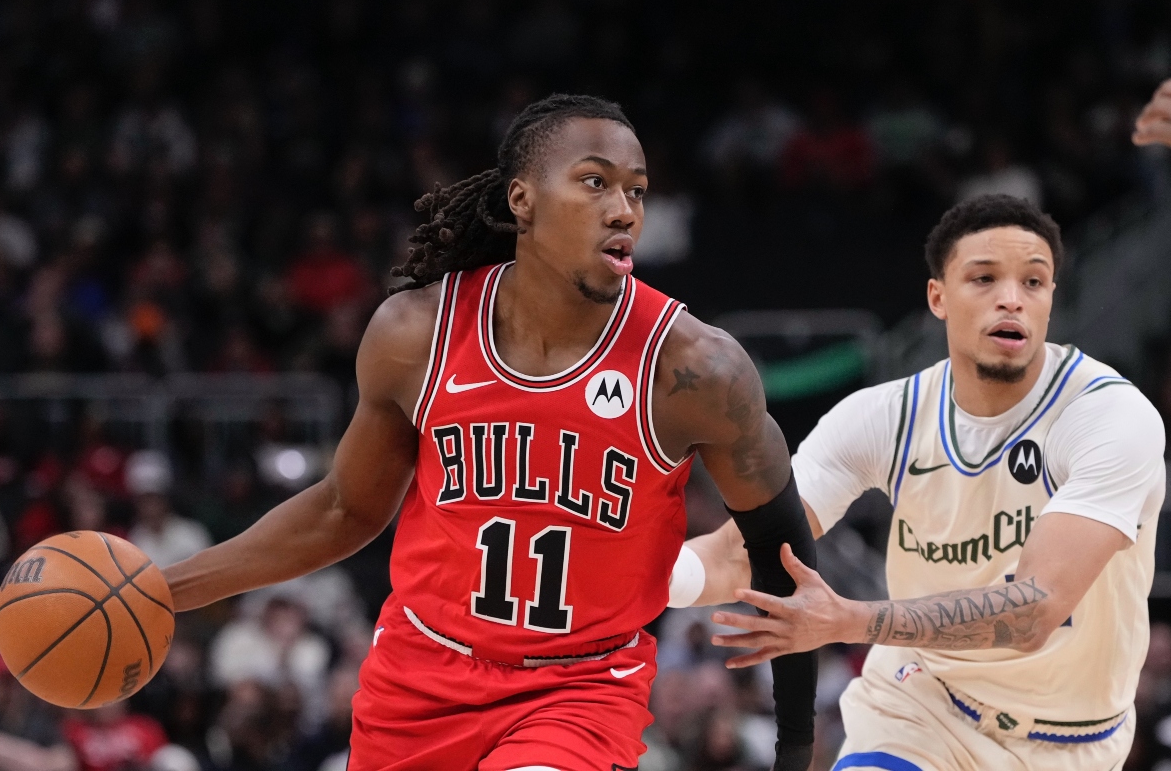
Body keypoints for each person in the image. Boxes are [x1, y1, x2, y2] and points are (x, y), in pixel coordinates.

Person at [165, 94, 818, 771]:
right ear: (522, 200)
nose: (624, 210)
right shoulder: (417, 334)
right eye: (595, 182)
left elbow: (782, 548)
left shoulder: (695, 369)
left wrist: (795, 748)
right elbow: (343, 510)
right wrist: (165, 591)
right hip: (418, 676)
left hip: (578, 689)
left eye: (637, 191)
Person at [670, 80, 1171, 770]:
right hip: (920, 706)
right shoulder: (883, 417)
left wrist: (852, 620)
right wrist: (633, 579)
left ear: (1053, 298)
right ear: (938, 297)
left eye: (1033, 281)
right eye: (984, 278)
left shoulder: (1109, 416)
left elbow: (1035, 611)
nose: (1011, 299)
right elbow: (742, 551)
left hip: (1067, 741)